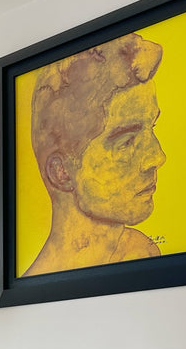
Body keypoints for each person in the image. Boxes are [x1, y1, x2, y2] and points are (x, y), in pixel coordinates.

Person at [24, 32, 166, 276]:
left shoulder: (141, 252)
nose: (157, 157)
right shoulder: (35, 286)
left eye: (151, 128)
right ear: (61, 173)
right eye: (127, 141)